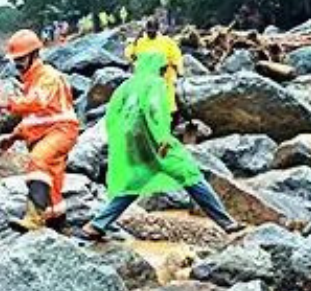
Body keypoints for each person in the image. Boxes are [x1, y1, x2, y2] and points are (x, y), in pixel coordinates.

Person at [75, 47, 243, 241]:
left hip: (134, 146)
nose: (164, 72)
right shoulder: (154, 84)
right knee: (192, 176)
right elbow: (154, 112)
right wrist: (162, 139)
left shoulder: (127, 86)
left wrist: (121, 141)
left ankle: (96, 225)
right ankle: (227, 223)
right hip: (156, 145)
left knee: (133, 185)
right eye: (163, 68)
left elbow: (112, 115)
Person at [0, 29, 79, 232]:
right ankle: (57, 226)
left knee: (38, 161)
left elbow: (37, 103)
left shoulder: (48, 76)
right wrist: (14, 136)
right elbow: (34, 119)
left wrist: (7, 104)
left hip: (61, 131)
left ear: (34, 55)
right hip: (49, 132)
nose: (17, 64)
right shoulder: (32, 80)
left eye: (20, 59)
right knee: (53, 181)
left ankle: (33, 219)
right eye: (15, 60)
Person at [125, 17, 183, 117]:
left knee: (167, 103)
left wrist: (177, 70)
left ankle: (168, 122)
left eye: (153, 31)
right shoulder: (140, 42)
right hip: (146, 79)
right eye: (148, 31)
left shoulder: (166, 41)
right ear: (145, 30)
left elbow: (176, 57)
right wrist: (135, 40)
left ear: (157, 30)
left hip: (165, 78)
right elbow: (130, 55)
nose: (150, 33)